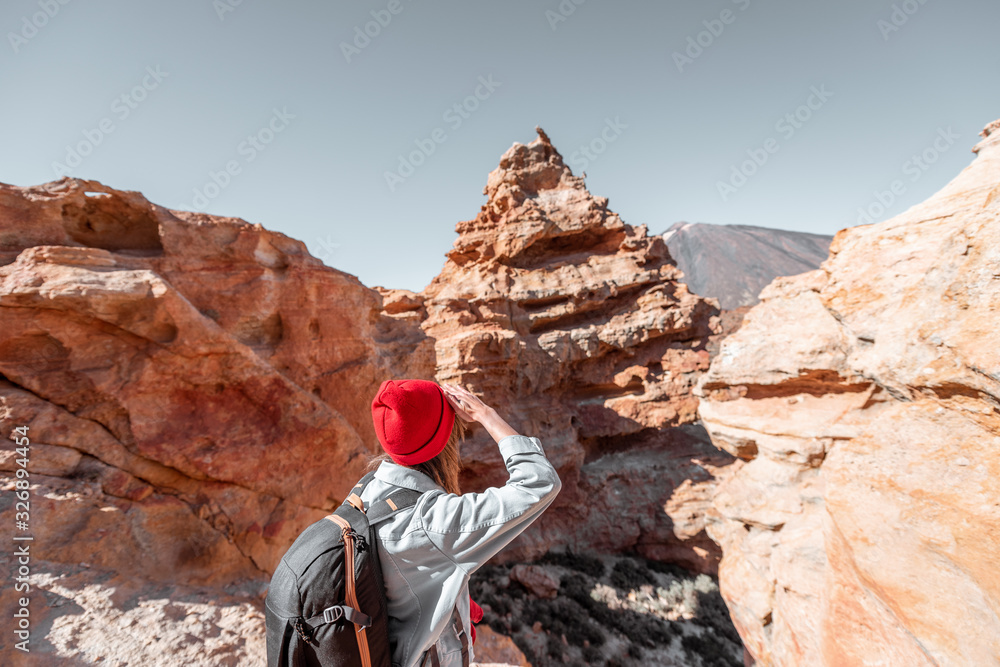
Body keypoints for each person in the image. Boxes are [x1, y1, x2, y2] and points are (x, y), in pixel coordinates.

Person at [363, 378, 562, 667]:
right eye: (455, 433)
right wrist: (486, 414)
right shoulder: (436, 521)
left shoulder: (367, 490)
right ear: (443, 443)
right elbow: (539, 481)